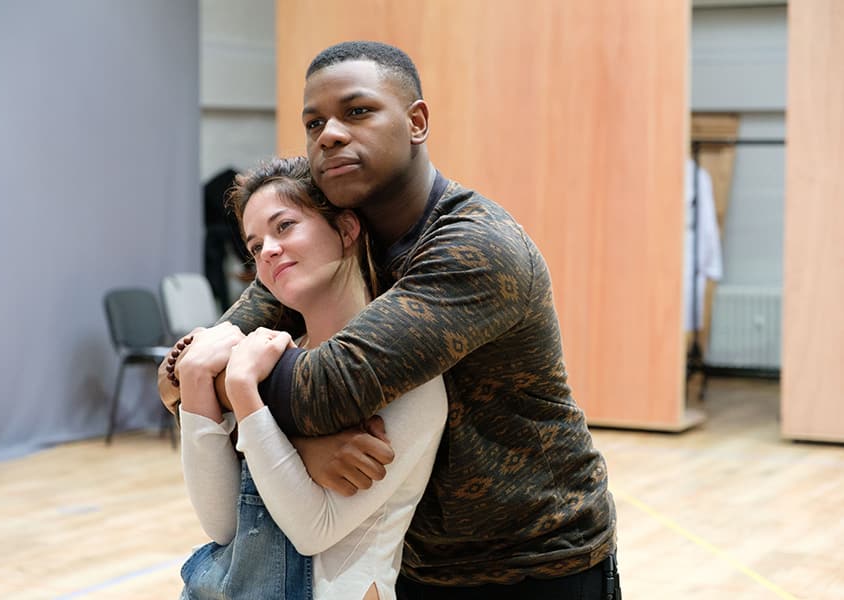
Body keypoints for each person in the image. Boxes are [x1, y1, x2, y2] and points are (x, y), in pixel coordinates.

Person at [161, 41, 621, 599]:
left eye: (357, 111)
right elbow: (181, 370)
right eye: (313, 123)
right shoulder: (324, 249)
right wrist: (302, 441)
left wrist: (241, 392)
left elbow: (324, 389)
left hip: (536, 560)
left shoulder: (475, 246)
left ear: (416, 121)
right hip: (417, 562)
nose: (328, 134)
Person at [173, 156, 447, 600]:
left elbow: (313, 531)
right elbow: (223, 524)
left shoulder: (401, 370)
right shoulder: (275, 357)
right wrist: (195, 383)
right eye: (255, 245)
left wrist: (244, 392)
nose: (268, 251)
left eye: (284, 227)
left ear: (346, 229)